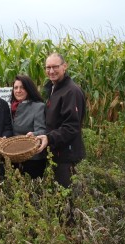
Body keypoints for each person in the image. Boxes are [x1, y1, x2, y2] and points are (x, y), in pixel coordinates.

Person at [36, 53, 86, 188]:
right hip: (56, 153)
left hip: (66, 156)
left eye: (55, 67)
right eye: (48, 67)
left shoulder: (71, 91)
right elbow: (53, 122)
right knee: (57, 196)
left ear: (65, 66)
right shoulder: (54, 89)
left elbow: (71, 127)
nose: (51, 71)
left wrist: (49, 138)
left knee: (65, 198)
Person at [10, 75, 47, 179]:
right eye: (16, 88)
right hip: (15, 156)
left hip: (33, 158)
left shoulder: (38, 106)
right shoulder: (11, 106)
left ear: (29, 88)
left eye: (22, 87)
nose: (18, 90)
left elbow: (42, 130)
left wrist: (33, 134)